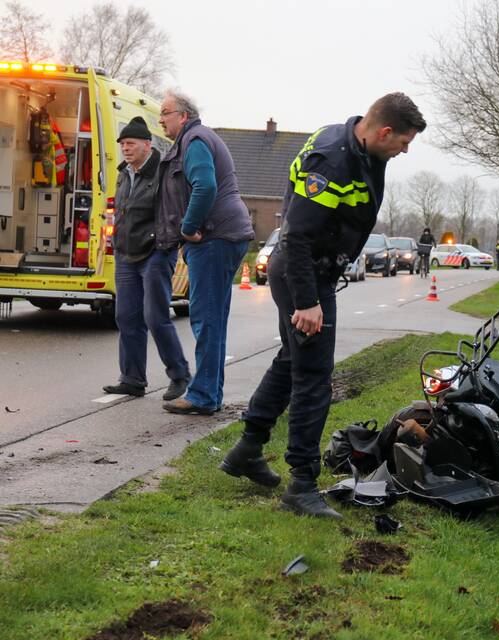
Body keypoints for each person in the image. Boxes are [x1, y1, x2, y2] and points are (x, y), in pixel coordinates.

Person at [220, 93, 426, 517]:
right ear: (384, 132)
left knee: (291, 360)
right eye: (404, 143)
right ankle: (301, 485)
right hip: (303, 274)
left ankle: (247, 449)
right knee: (314, 378)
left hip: (315, 271)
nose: (405, 151)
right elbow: (296, 235)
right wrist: (308, 302)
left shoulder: (360, 148)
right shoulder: (332, 162)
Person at [157, 90, 254, 416]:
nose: (161, 119)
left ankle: (203, 396)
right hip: (225, 235)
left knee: (206, 319)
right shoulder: (195, 139)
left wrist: (188, 227)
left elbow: (205, 185)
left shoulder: (194, 140)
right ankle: (209, 392)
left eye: (165, 112)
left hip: (214, 237)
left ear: (183, 116)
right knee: (213, 319)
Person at [102, 117, 191, 401]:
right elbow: (121, 211)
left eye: (131, 143)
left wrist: (164, 242)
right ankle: (132, 379)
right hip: (126, 253)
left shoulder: (163, 172)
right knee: (126, 316)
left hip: (155, 253)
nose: (125, 148)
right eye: (123, 144)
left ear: (147, 145)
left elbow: (175, 210)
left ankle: (179, 375)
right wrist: (114, 239)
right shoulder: (123, 173)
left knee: (155, 316)